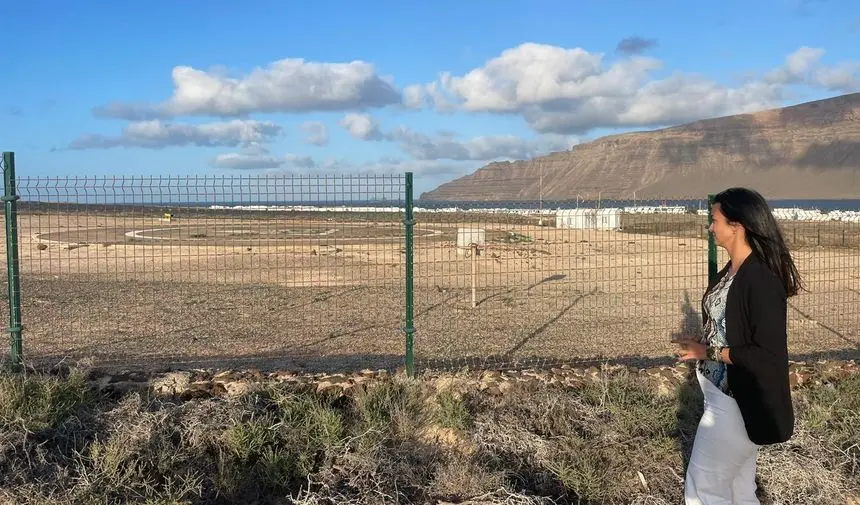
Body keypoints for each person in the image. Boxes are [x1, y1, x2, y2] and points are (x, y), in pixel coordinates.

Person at [675, 187, 803, 505]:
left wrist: (710, 353)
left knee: (703, 491)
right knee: (738, 491)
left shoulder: (760, 278)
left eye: (715, 219)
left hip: (736, 404)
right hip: (722, 397)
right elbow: (727, 325)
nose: (710, 227)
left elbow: (767, 353)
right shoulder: (731, 272)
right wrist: (702, 344)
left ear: (737, 225)